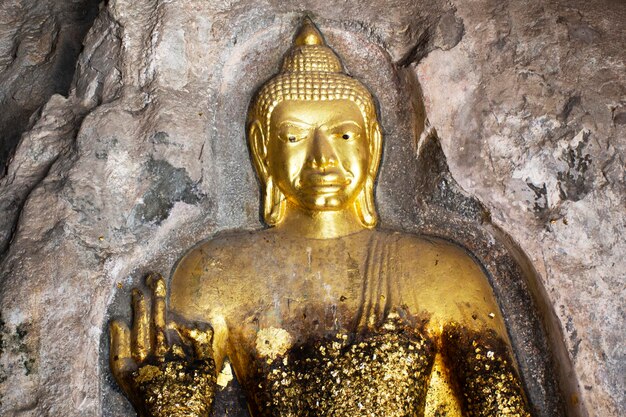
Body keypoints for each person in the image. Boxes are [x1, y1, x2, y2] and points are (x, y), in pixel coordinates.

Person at [110, 18, 532, 417]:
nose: (321, 160)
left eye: (343, 135)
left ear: (373, 144)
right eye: (294, 137)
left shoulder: (444, 272)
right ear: (261, 149)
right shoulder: (213, 273)